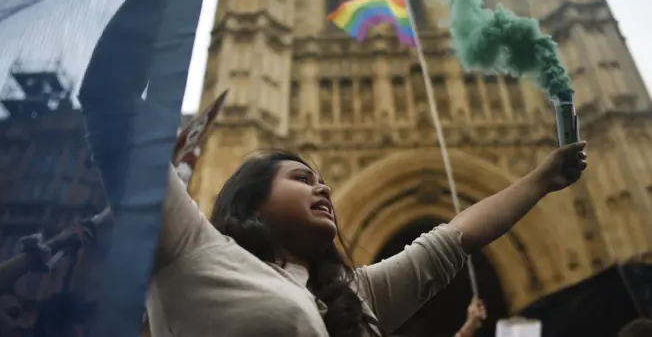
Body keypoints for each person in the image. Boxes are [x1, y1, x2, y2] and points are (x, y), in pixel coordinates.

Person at [141, 143, 586, 337]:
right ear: (252, 203)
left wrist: (542, 179)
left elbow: (452, 240)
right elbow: (121, 123)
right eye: (302, 179)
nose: (324, 188)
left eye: (323, 181)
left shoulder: (350, 297)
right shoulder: (196, 254)